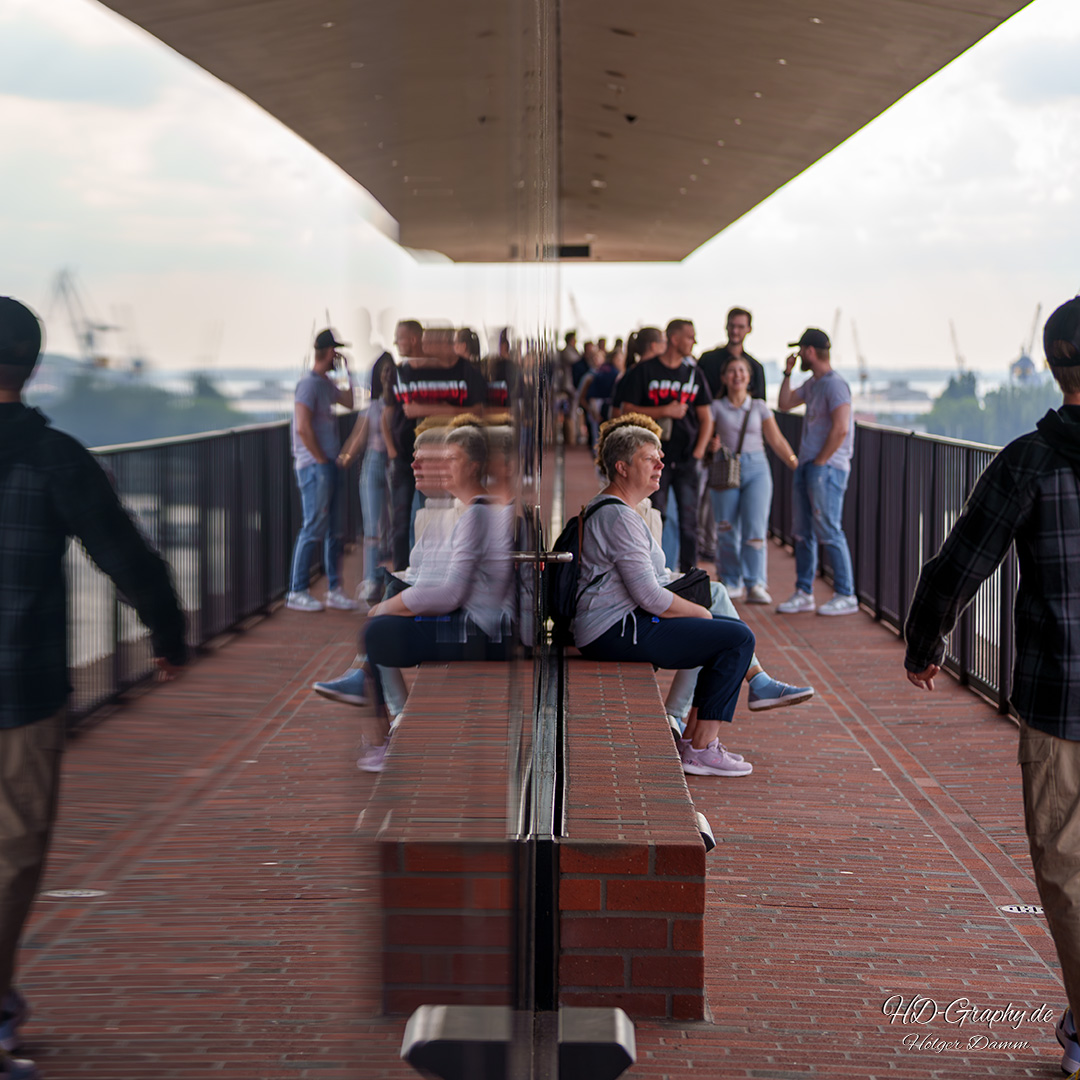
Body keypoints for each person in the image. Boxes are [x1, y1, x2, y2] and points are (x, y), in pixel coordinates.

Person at [0, 298, 187, 1079]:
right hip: (22, 687)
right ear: (33, 366)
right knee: (11, 848)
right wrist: (167, 633)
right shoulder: (54, 457)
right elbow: (125, 553)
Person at [904, 297, 1080, 1080]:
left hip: (1060, 696)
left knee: (1068, 864)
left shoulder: (1030, 461)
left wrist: (924, 641)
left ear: (1053, 363)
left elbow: (960, 562)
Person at [573, 415, 755, 777]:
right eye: (649, 458)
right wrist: (700, 615)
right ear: (622, 468)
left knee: (726, 634)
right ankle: (701, 747)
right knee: (736, 638)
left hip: (618, 624)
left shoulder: (619, 510)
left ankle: (696, 744)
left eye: (660, 457)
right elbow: (649, 596)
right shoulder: (618, 518)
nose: (660, 465)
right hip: (614, 630)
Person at [347, 421, 514, 772]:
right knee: (388, 612)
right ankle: (393, 722)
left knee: (378, 630)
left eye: (452, 458)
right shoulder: (473, 512)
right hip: (480, 623)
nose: (443, 467)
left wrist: (386, 607)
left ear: (472, 466)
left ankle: (388, 733)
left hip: (483, 631)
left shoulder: (477, 516)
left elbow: (452, 593)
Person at [612, 319, 713, 572]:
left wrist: (699, 452)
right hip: (653, 461)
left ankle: (691, 576)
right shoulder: (645, 371)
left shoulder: (693, 374)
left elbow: (706, 417)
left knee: (690, 523)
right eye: (690, 336)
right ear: (675, 339)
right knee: (654, 516)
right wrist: (664, 410)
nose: (694, 342)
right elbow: (625, 408)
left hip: (687, 459)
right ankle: (653, 573)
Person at [775, 328, 858, 616]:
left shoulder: (836, 385)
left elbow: (842, 427)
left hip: (827, 468)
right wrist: (786, 373)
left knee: (829, 530)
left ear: (810, 351)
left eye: (800, 351)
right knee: (802, 532)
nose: (798, 356)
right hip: (809, 465)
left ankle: (846, 594)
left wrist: (821, 462)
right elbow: (784, 404)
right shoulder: (813, 384)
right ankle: (804, 592)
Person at [709, 356, 799, 603]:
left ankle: (755, 582)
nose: (737, 375)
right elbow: (705, 439)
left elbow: (777, 440)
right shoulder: (715, 407)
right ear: (724, 377)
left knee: (755, 529)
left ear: (749, 377)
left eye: (741, 371)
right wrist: (710, 445)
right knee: (726, 527)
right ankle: (730, 579)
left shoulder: (759, 407)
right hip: (725, 468)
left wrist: (794, 462)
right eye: (731, 371)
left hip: (757, 468)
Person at [286, 327, 359, 612]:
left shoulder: (325, 384)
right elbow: (302, 427)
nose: (338, 356)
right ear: (329, 352)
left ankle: (334, 589)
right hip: (316, 466)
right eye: (336, 352)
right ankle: (297, 590)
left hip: (328, 463)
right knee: (313, 527)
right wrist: (319, 461)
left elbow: (350, 401)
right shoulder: (307, 384)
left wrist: (347, 372)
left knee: (334, 530)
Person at [337, 351, 396, 604]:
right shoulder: (389, 407)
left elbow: (357, 439)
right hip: (386, 465)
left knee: (375, 528)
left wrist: (344, 458)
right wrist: (345, 456)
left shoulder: (373, 408)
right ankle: (380, 579)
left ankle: (374, 580)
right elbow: (357, 438)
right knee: (386, 527)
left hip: (375, 464)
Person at [698, 307, 766, 401]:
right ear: (726, 326)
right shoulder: (707, 360)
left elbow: (760, 405)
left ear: (749, 329)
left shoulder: (756, 367)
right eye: (732, 326)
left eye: (740, 327)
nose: (735, 331)